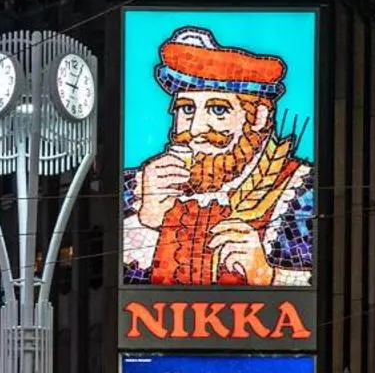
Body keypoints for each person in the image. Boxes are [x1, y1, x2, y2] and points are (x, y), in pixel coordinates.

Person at [122, 25, 315, 287]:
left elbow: (334, 284)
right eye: (187, 109)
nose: (196, 128)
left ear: (258, 117)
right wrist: (146, 222)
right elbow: (105, 288)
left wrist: (268, 274)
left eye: (218, 110)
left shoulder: (302, 191)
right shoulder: (133, 188)